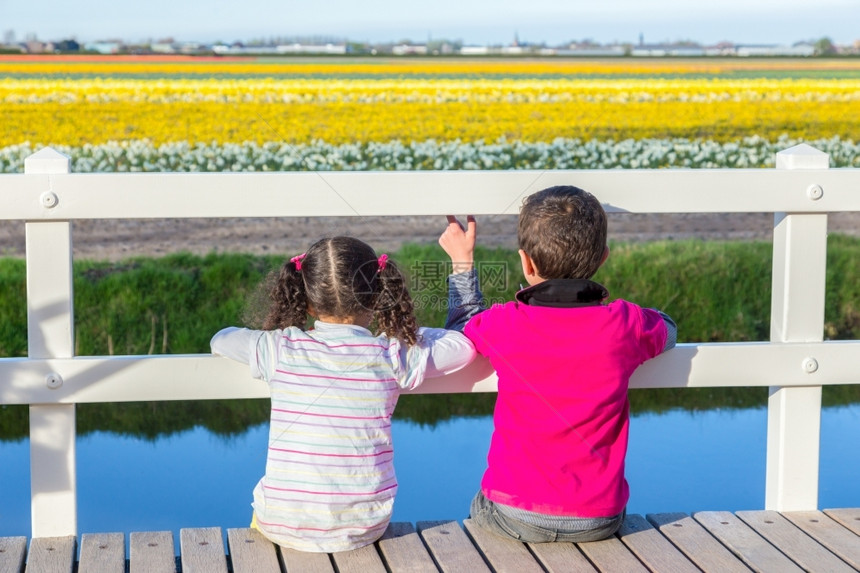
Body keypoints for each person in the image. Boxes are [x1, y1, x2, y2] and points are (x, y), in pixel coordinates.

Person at [439, 185, 677, 543]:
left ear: (526, 262)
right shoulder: (626, 323)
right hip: (600, 518)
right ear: (603, 259)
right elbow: (668, 329)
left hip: (513, 513)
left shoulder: (506, 323)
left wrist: (462, 262)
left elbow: (460, 331)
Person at [210, 236, 475, 553]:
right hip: (364, 528)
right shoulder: (392, 354)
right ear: (378, 296)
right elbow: (464, 346)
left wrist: (285, 334)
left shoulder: (280, 348)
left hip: (279, 523)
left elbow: (221, 339)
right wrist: (409, 335)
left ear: (306, 299)